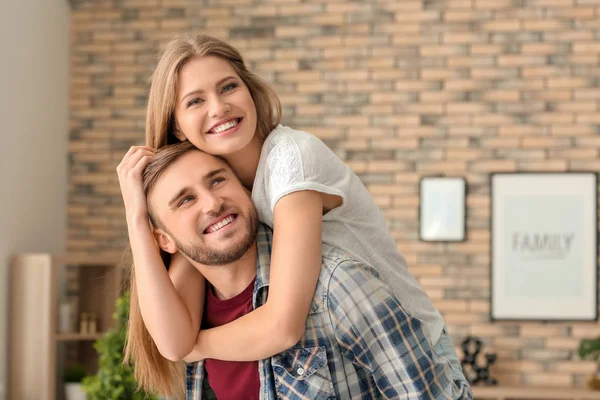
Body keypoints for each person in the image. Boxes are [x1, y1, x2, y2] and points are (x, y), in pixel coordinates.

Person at [117, 32, 455, 398]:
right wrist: (138, 219)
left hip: (416, 352)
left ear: (250, 92)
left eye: (228, 87)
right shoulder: (220, 194)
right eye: (196, 100)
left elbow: (281, 326)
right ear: (178, 126)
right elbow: (172, 342)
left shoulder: (291, 161)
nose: (218, 108)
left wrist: (198, 346)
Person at [141, 141, 472, 399]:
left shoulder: (338, 286)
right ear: (164, 240)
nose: (212, 203)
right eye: (185, 200)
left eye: (217, 180)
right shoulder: (182, 320)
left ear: (246, 189)